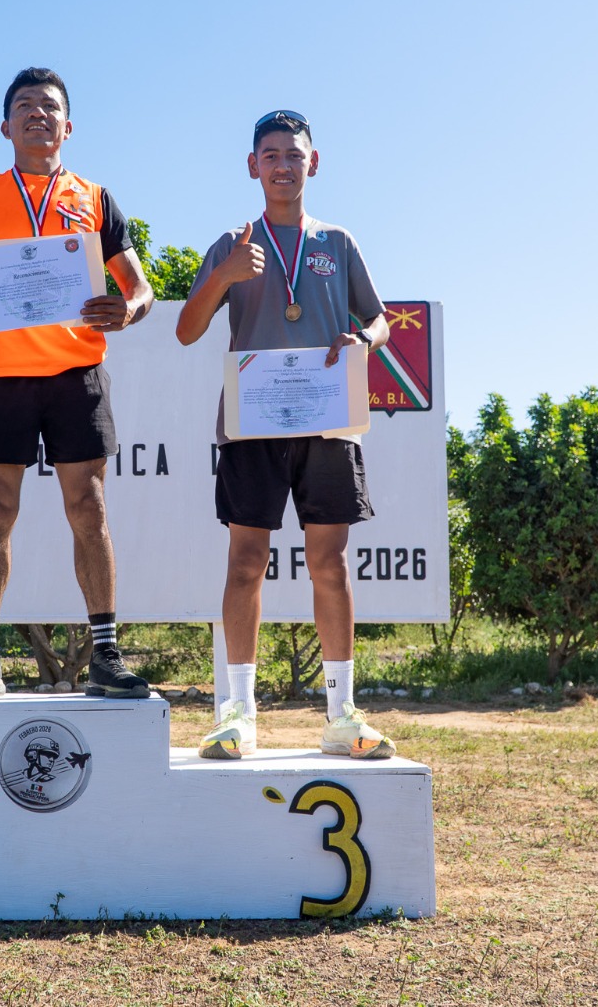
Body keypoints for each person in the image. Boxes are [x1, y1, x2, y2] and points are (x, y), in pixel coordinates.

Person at [0, 67, 154, 701]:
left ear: (68, 125)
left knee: (90, 509)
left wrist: (128, 310)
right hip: (0, 374)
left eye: (50, 106)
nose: (37, 114)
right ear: (5, 125)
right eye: (24, 105)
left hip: (76, 372)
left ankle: (106, 654)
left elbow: (140, 289)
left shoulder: (98, 198)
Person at [176, 110, 398, 761]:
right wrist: (224, 276)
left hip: (329, 419)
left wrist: (365, 339)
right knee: (246, 563)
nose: (282, 165)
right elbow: (187, 331)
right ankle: (238, 715)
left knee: (329, 564)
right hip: (253, 426)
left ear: (314, 162)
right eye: (270, 155)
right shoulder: (231, 243)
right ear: (253, 166)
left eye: (293, 155)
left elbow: (381, 320)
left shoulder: (337, 242)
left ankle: (340, 714)